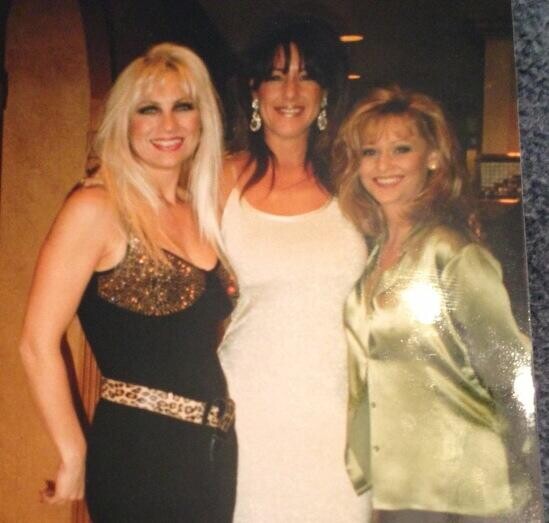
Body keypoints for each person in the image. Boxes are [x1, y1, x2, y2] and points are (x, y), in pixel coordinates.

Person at [18, 43, 236, 522]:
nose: (168, 124)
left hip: (213, 451)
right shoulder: (97, 208)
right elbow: (36, 343)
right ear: (124, 121)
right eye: (149, 109)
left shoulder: (201, 210)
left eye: (183, 106)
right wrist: (72, 450)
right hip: (140, 454)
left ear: (203, 118)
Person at [334, 86, 541, 522]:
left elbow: (511, 370)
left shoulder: (451, 253)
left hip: (468, 489)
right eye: (370, 152)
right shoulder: (373, 255)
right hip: (401, 483)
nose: (383, 165)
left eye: (401, 149)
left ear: (432, 157)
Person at [218, 14, 371, 522]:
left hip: (339, 413)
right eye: (275, 75)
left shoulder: (353, 182)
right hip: (249, 407)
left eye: (306, 76)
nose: (289, 90)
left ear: (325, 92)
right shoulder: (220, 179)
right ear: (254, 90)